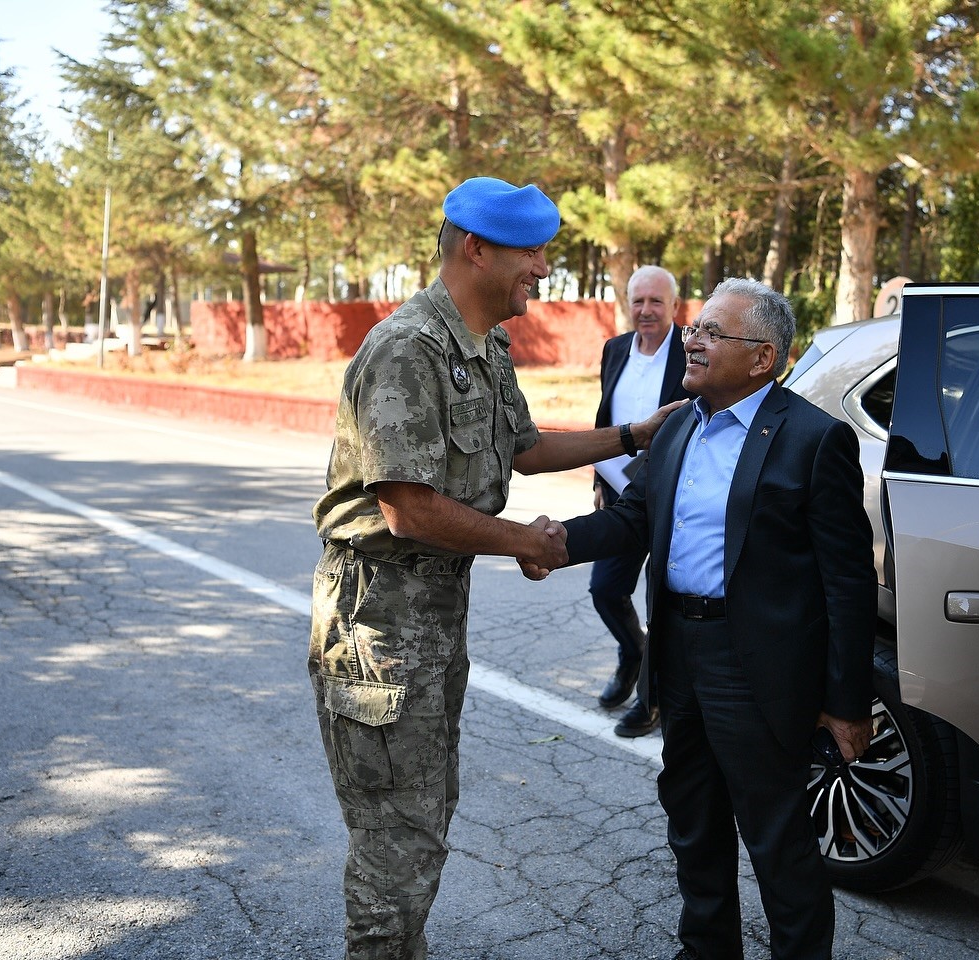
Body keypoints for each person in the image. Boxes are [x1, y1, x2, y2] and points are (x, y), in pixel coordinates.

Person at [308, 176, 684, 960]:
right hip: (379, 621)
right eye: (532, 251)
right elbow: (406, 508)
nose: (543, 269)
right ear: (476, 248)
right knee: (395, 846)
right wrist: (526, 541)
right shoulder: (409, 348)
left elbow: (526, 445)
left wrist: (636, 435)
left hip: (432, 616)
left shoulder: (481, 344)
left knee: (426, 816)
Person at [525, 278, 878, 960]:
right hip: (678, 651)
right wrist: (555, 543)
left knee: (777, 836)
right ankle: (707, 948)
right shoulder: (679, 423)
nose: (692, 338)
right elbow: (634, 519)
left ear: (762, 357)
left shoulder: (813, 440)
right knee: (692, 817)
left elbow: (848, 582)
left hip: (757, 664)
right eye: (697, 327)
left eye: (714, 332)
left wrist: (846, 701)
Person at [589, 264, 693, 737]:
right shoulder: (614, 349)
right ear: (627, 304)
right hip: (620, 495)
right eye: (638, 301)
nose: (646, 311)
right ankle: (633, 654)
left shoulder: (691, 351)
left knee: (662, 601)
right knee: (606, 589)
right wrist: (598, 479)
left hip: (675, 495)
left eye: (656, 301)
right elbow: (605, 417)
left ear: (674, 306)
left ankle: (650, 700)